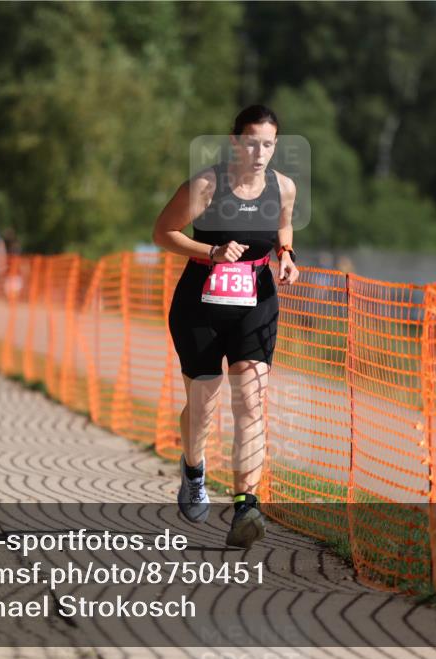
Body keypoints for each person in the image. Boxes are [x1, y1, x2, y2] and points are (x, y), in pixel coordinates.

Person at [152, 104, 299, 549]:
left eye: (268, 144)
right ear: (235, 141)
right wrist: (210, 252)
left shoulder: (283, 187)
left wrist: (287, 255)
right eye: (251, 142)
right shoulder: (206, 185)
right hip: (200, 303)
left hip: (257, 299)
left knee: (251, 404)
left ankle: (245, 506)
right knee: (203, 406)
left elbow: (284, 227)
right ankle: (193, 470)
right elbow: (163, 232)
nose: (259, 152)